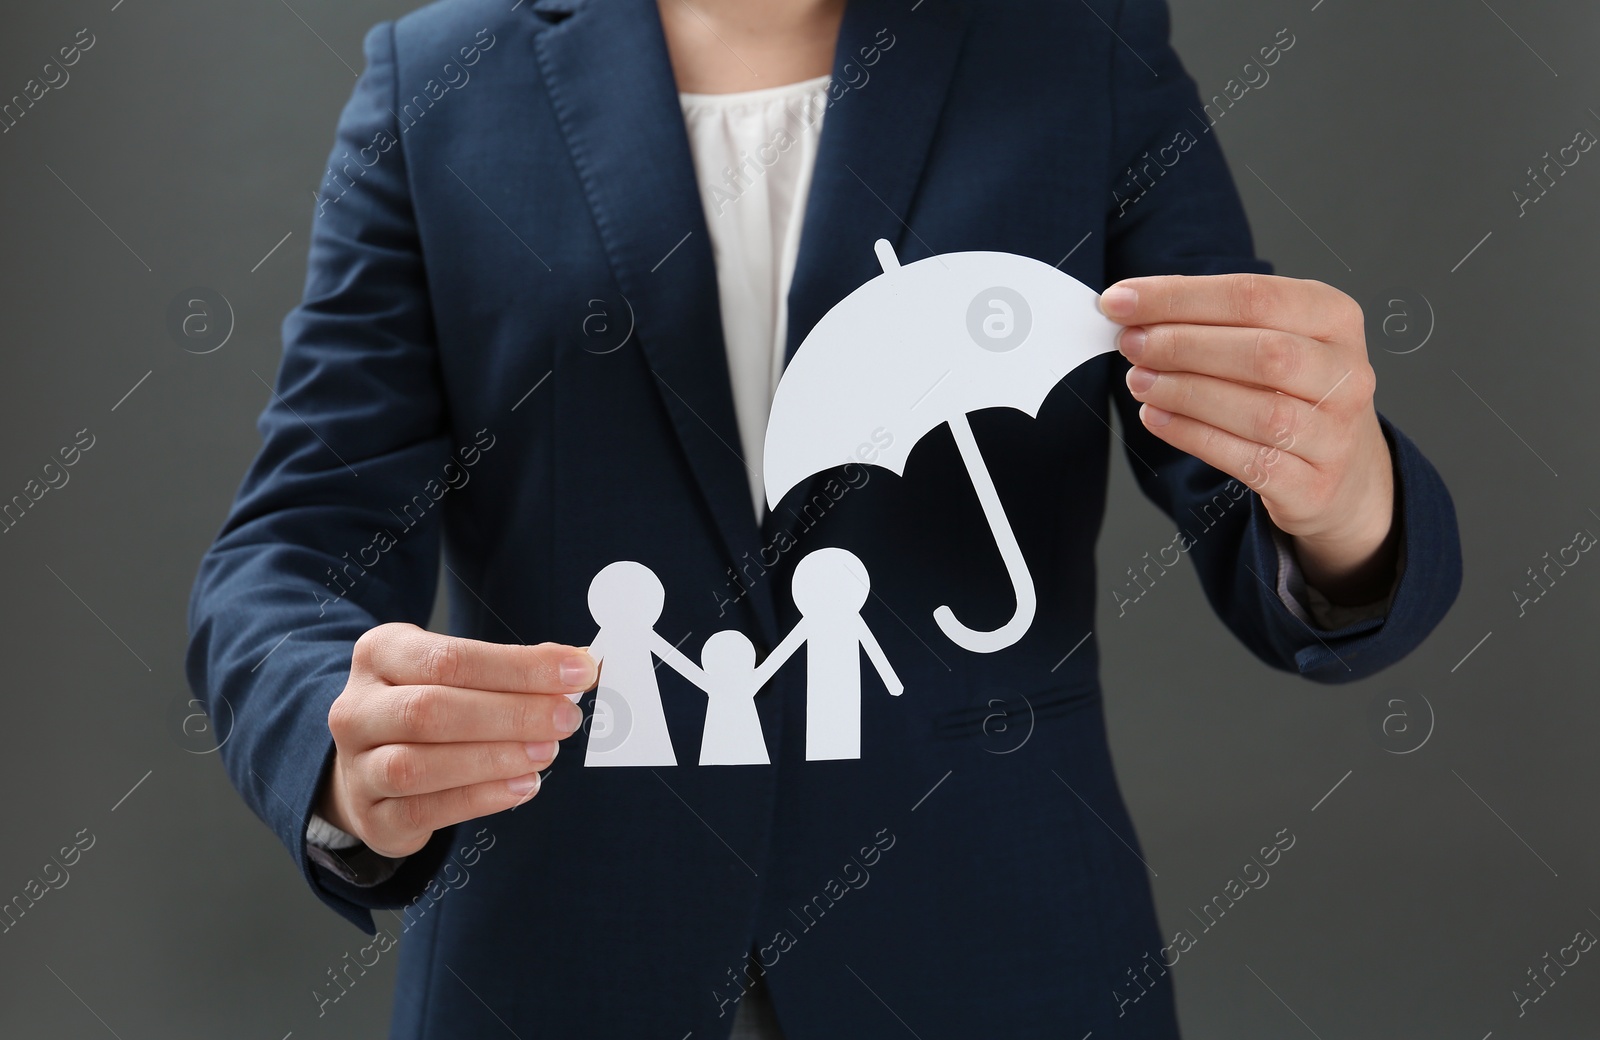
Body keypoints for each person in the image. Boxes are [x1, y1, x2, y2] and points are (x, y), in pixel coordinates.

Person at [185, 0, 1462, 1036]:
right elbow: (288, 548)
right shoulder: (438, 80)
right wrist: (346, 744)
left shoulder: (1081, 47)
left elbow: (1261, 530)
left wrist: (1339, 486)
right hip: (556, 962)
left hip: (996, 953)